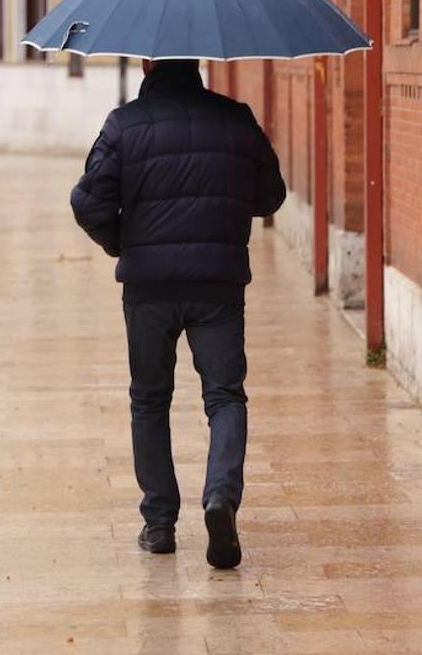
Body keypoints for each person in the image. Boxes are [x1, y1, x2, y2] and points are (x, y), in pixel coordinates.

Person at [70, 58, 285, 569]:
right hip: (219, 281)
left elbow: (88, 204)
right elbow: (270, 195)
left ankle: (160, 523)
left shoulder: (123, 125)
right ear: (200, 63)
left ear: (147, 65)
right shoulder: (236, 118)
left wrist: (122, 243)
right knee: (225, 396)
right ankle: (220, 496)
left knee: (149, 400)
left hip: (148, 287)